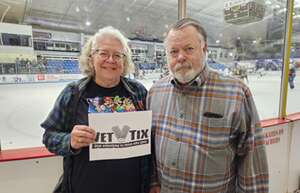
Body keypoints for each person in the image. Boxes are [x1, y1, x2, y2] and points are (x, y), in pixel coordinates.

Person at [147, 18, 269, 193]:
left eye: (189, 49)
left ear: (204, 50)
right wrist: (153, 182)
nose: (180, 57)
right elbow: (150, 149)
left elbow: (252, 158)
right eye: (173, 51)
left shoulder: (236, 93)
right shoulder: (155, 93)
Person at [41, 26, 150, 193]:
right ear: (91, 58)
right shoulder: (73, 93)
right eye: (103, 53)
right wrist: (70, 141)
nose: (111, 60)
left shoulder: (139, 92)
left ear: (124, 61)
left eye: (117, 55)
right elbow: (49, 137)